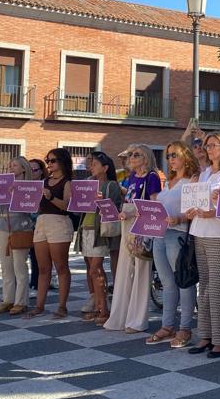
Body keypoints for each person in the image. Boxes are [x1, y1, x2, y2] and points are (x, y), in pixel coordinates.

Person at [186, 131, 220, 358]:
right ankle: (205, 335)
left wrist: (213, 212)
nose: (208, 149)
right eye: (206, 145)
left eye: (213, 145)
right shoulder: (205, 173)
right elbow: (194, 200)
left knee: (218, 288)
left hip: (219, 235)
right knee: (204, 287)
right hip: (199, 232)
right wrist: (190, 210)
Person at [147, 141, 199, 347]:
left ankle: (185, 328)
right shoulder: (167, 183)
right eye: (168, 156)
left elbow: (194, 211)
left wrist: (178, 219)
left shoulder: (191, 182)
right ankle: (167, 326)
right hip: (159, 235)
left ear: (185, 156)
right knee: (167, 283)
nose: (171, 159)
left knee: (184, 283)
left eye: (175, 155)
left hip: (178, 236)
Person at [106, 145, 161, 334]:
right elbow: (129, 199)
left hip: (141, 227)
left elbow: (154, 205)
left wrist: (134, 212)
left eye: (136, 154)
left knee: (141, 273)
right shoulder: (130, 178)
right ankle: (119, 317)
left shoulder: (152, 177)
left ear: (146, 158)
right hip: (127, 225)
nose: (131, 157)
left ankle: (137, 320)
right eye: (130, 154)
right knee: (123, 270)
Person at [27, 148, 74, 318]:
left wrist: (50, 197)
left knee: (61, 266)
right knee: (43, 268)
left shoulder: (67, 182)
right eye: (47, 160)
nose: (49, 163)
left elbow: (68, 206)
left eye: (53, 160)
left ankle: (62, 306)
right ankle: (39, 305)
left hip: (59, 222)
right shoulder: (44, 181)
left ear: (62, 161)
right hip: (41, 222)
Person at [0, 157, 35, 316]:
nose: (11, 168)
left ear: (23, 168)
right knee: (5, 265)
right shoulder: (4, 184)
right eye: (9, 165)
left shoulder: (29, 186)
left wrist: (17, 193)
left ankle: (21, 301)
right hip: (3, 224)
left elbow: (32, 207)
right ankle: (7, 299)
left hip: (21, 225)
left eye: (14, 165)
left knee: (19, 265)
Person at [81, 152, 122, 326]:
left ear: (105, 168)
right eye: (91, 164)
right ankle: (99, 306)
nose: (92, 167)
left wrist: (101, 200)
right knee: (93, 269)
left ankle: (104, 309)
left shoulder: (111, 185)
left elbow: (113, 210)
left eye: (96, 164)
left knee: (95, 269)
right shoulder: (88, 184)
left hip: (100, 231)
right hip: (86, 227)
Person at [27, 158, 46, 294]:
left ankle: (38, 283)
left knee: (39, 256)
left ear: (41, 172)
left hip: (42, 223)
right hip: (26, 224)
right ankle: (34, 283)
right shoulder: (22, 185)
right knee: (31, 255)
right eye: (29, 169)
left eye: (35, 170)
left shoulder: (45, 186)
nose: (32, 172)